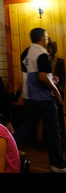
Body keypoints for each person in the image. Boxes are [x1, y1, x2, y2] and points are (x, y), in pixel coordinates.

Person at [15, 28, 66, 173]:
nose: (48, 40)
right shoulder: (42, 53)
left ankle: (6, 145)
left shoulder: (26, 52)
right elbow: (42, 77)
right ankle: (57, 164)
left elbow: (34, 75)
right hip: (44, 98)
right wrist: (56, 91)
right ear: (43, 38)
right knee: (53, 131)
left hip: (30, 97)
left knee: (28, 126)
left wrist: (51, 79)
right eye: (47, 37)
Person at [48, 41, 65, 137]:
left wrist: (62, 86)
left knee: (60, 111)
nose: (49, 49)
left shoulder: (60, 61)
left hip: (58, 89)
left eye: (51, 47)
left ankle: (61, 133)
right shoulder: (47, 60)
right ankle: (53, 133)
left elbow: (63, 74)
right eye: (48, 47)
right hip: (49, 89)